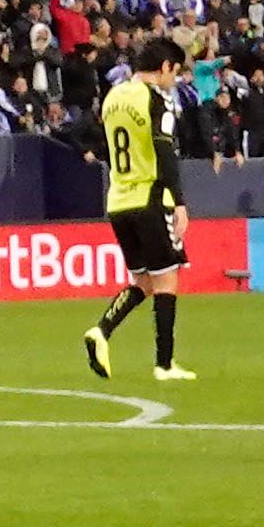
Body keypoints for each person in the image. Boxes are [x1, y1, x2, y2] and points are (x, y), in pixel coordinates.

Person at [81, 29, 195, 383]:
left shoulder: (114, 96)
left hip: (118, 199)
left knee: (143, 281)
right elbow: (165, 152)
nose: (173, 80)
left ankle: (101, 330)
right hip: (149, 197)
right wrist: (178, 202)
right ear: (164, 67)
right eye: (173, 72)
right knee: (166, 280)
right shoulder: (156, 100)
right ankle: (165, 364)